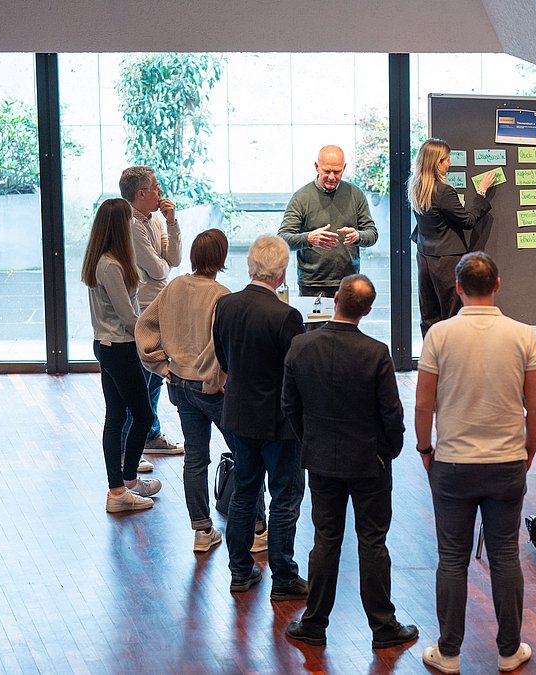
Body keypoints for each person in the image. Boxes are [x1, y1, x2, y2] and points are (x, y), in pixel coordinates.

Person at [414, 252, 536, 674]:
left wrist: (424, 449)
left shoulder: (439, 335)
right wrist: (527, 449)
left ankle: (448, 653)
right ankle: (509, 651)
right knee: (506, 555)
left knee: (451, 557)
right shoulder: (524, 335)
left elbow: (423, 403)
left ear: (457, 288)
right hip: (507, 461)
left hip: (452, 461)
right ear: (498, 284)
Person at [281, 274, 418, 650]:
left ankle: (314, 623)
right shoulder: (375, 353)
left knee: (326, 540)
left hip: (321, 459)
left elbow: (289, 406)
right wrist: (387, 450)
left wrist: (310, 440)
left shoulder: (301, 347)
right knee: (372, 541)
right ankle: (383, 627)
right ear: (368, 310)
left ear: (335, 298)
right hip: (369, 462)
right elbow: (392, 414)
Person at [135, 229, 267, 553]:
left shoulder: (175, 286)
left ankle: (202, 532)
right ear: (221, 258)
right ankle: (257, 528)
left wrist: (162, 364)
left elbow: (144, 326)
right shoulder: (222, 296)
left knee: (195, 457)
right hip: (212, 390)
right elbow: (220, 348)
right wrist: (214, 378)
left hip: (178, 385)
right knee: (246, 453)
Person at [213, 235, 307, 599]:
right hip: (279, 423)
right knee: (285, 498)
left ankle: (240, 570)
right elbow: (297, 372)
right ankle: (283, 577)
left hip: (238, 415)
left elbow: (223, 358)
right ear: (281, 273)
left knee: (244, 495)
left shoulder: (226, 306)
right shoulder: (285, 316)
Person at [82, 198, 162, 513]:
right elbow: (129, 317)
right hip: (119, 347)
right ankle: (123, 484)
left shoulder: (104, 260)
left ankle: (122, 487)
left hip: (108, 345)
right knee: (141, 416)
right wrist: (156, 335)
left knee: (116, 416)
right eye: (129, 221)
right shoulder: (111, 265)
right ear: (119, 226)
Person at [119, 166, 184, 459]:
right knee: (143, 377)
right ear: (141, 193)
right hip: (143, 308)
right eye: (155, 187)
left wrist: (172, 223)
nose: (160, 192)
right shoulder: (131, 225)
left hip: (161, 302)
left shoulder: (155, 220)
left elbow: (173, 259)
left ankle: (150, 434)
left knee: (156, 375)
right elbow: (159, 269)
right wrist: (163, 263)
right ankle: (130, 445)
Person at [408, 138, 497, 336]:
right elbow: (468, 221)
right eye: (446, 159)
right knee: (452, 313)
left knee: (429, 314)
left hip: (424, 256)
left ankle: (433, 359)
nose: (449, 163)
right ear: (436, 162)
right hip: (446, 259)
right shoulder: (444, 191)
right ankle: (452, 360)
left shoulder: (416, 186)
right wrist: (481, 192)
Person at [278, 145, 379, 297]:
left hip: (349, 282)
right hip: (312, 284)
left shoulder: (355, 194)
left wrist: (358, 236)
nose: (332, 177)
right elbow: (282, 239)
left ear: (344, 168)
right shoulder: (302, 197)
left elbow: (372, 234)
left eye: (337, 172)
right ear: (317, 167)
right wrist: (309, 238)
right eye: (327, 171)